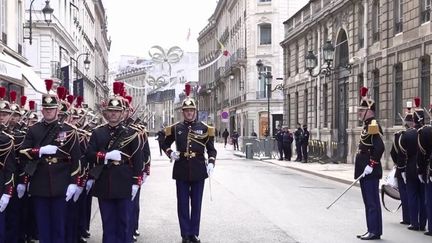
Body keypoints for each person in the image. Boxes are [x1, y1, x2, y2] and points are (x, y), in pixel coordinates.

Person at [19, 80, 82, 243]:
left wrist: (74, 182)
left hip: (61, 184)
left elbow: (76, 158)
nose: (48, 112)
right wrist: (39, 151)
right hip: (40, 184)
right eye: (45, 109)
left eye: (51, 109)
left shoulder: (69, 130)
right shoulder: (34, 130)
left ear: (57, 110)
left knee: (59, 227)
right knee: (43, 228)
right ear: (42, 110)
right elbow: (23, 152)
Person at [86, 81, 145, 243]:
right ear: (106, 113)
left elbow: (137, 158)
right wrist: (105, 156)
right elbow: (89, 155)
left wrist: (136, 182)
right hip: (104, 182)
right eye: (110, 111)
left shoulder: (131, 133)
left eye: (116, 111)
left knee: (124, 223)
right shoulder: (98, 133)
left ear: (122, 113)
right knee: (108, 223)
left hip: (125, 181)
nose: (113, 114)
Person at [161, 83, 217, 243]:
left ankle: (194, 233)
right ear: (182, 112)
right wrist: (171, 153)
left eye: (191, 110)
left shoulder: (205, 128)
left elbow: (211, 150)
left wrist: (211, 162)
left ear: (195, 111)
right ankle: (185, 234)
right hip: (181, 169)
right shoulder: (175, 128)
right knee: (183, 204)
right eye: (186, 111)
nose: (189, 113)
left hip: (199, 168)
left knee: (197, 203)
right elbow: (164, 144)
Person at [354, 87, 384, 240]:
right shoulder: (367, 125)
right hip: (365, 170)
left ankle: (374, 230)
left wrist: (371, 165)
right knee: (369, 201)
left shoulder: (373, 125)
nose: (359, 113)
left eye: (361, 110)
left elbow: (380, 147)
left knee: (372, 202)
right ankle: (372, 229)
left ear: (369, 111)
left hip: (370, 170)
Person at [399, 100, 427, 232]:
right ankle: (422, 223)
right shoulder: (427, 132)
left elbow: (402, 154)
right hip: (424, 169)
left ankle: (414, 223)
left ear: (414, 119)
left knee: (412, 196)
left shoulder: (407, 134)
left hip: (410, 168)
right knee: (423, 196)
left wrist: (401, 170)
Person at [0, 87, 17, 243]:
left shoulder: (6, 139)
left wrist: (7, 192)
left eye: (3, 115)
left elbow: (10, 168)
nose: (1, 118)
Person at [417, 100, 432, 236]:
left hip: (430, 170)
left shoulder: (426, 132)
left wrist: (421, 171)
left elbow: (422, 153)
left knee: (430, 200)